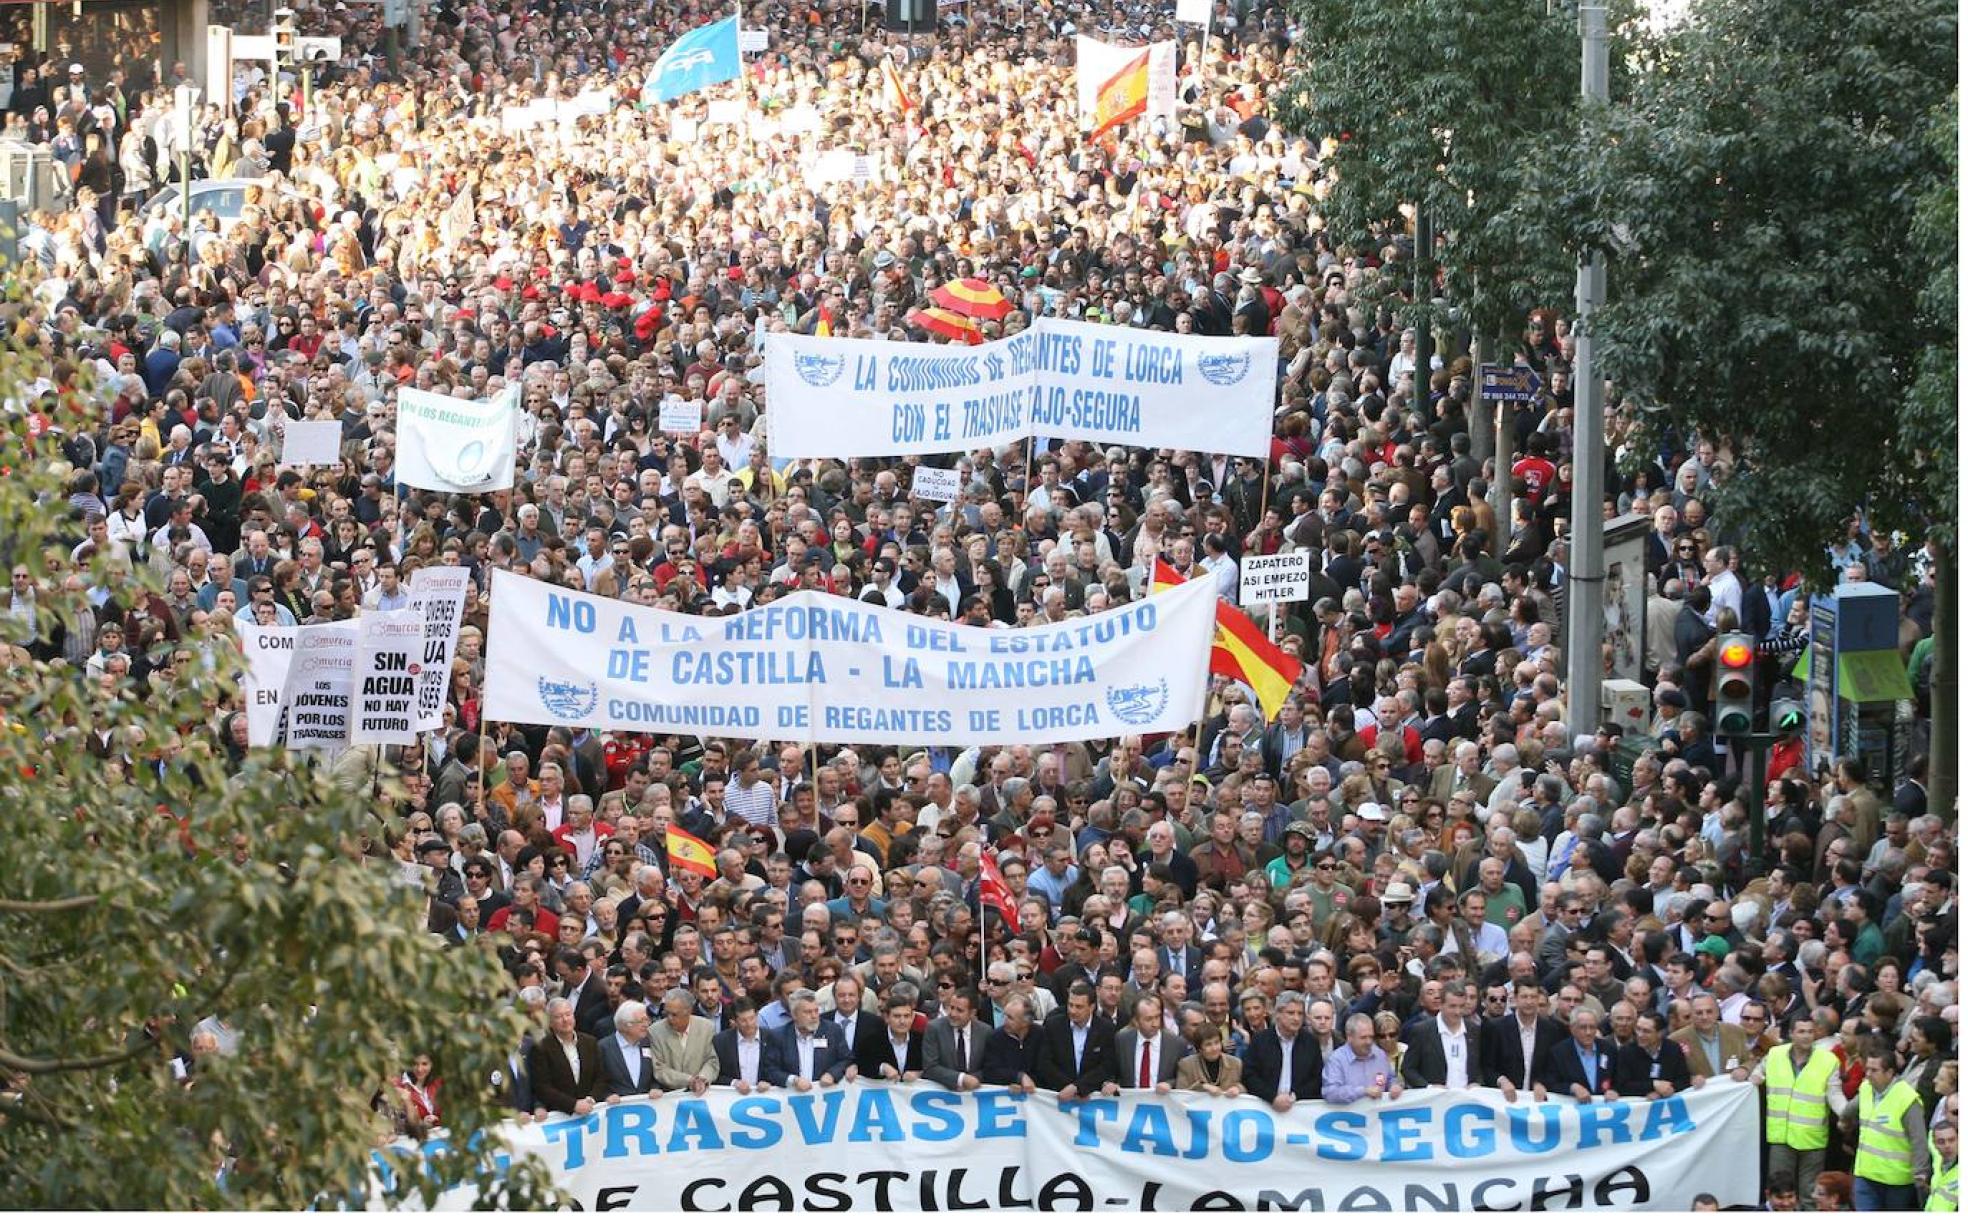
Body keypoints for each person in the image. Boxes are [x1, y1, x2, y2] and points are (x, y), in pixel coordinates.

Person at [1761, 1015, 1844, 1203]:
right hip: (1781, 1136)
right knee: (1779, 1192)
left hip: (1812, 1138)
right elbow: (1756, 1077)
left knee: (1810, 1195)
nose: (1806, 1036)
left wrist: (1846, 1115)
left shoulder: (1828, 1060)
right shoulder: (1774, 1055)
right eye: (1801, 1031)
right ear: (1791, 1034)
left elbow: (1835, 1094)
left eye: (1810, 1031)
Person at [1845, 1049, 1930, 1210]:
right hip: (1865, 1173)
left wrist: (1921, 1173)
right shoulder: (1866, 1089)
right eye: (1867, 1069)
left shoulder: (1907, 1099)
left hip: (1896, 1181)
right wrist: (1844, 1119)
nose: (1868, 1074)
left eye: (1874, 1070)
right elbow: (1851, 1108)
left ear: (1890, 1072)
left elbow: (1919, 1139)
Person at [1036, 981, 1120, 1100]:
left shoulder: (1105, 1029)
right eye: (1070, 1005)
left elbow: (1107, 1066)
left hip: (1090, 1097)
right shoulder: (1053, 1025)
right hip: (1059, 1096)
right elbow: (1045, 1063)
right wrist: (1068, 1087)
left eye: (1079, 1007)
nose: (1073, 1011)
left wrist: (1079, 1088)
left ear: (1092, 1007)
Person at [527, 997, 605, 1116]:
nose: (565, 1020)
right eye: (558, 1017)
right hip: (560, 1115)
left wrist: (591, 1099)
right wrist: (573, 1105)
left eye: (568, 1014)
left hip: (590, 1112)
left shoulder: (590, 1042)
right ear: (550, 1022)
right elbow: (542, 1087)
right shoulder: (541, 1048)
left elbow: (601, 1077)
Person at [763, 989, 854, 1090]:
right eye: (808, 1012)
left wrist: (832, 1074)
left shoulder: (832, 1031)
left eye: (816, 1011)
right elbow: (770, 1069)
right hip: (792, 1097)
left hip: (824, 1096)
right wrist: (793, 1080)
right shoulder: (778, 1036)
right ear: (794, 1015)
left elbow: (846, 1059)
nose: (814, 1016)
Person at [1245, 992, 1322, 1110]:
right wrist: (1272, 1097)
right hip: (1264, 1107)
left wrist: (1295, 1097)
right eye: (1291, 1013)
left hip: (1299, 1110)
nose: (1296, 1018)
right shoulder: (1260, 1040)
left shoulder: (1310, 1042)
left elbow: (1317, 1078)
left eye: (1300, 1014)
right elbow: (1250, 1075)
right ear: (1278, 1014)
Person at [647, 987, 718, 1096]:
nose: (669, 1018)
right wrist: (689, 1080)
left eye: (674, 1014)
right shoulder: (655, 1031)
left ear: (689, 1011)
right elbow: (659, 1068)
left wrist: (702, 1079)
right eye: (667, 1013)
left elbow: (711, 1060)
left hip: (702, 1094)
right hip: (670, 1097)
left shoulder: (706, 1027)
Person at [1323, 1013, 1402, 1104]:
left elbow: (1391, 1077)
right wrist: (1363, 1092)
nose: (1368, 1042)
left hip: (1378, 1115)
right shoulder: (1336, 1060)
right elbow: (1331, 1093)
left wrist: (1395, 1085)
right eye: (1363, 1038)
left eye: (1371, 1037)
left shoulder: (1380, 1054)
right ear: (1349, 1037)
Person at [1615, 1010, 1695, 1099]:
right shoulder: (1626, 1052)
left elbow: (1683, 1079)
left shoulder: (1673, 1049)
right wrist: (1652, 1086)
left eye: (1646, 1031)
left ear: (1660, 1033)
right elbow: (1622, 1086)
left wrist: (1669, 1089)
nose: (1640, 1035)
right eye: (1638, 1029)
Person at [1116, 994, 1184, 1092]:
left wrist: (1169, 1084)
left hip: (1162, 1102)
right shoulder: (1122, 1040)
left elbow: (1183, 1077)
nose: (1155, 1024)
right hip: (1130, 1104)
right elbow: (1114, 1073)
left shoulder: (1175, 1043)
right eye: (1149, 1019)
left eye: (1157, 1017)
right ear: (1136, 1021)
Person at [598, 1001, 661, 1101]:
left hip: (647, 1106)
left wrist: (655, 1088)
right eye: (641, 1021)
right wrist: (607, 1095)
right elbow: (597, 1081)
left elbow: (656, 1074)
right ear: (626, 1025)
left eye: (647, 1020)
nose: (646, 1024)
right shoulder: (603, 1047)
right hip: (617, 1109)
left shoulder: (648, 1043)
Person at [1175, 1024, 1245, 1096]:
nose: (1214, 1048)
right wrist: (1202, 1087)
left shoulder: (1236, 1063)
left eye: (1217, 1042)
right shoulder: (1186, 1065)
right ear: (1199, 1049)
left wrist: (1238, 1088)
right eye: (1208, 1044)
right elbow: (1180, 1094)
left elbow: (1246, 1086)